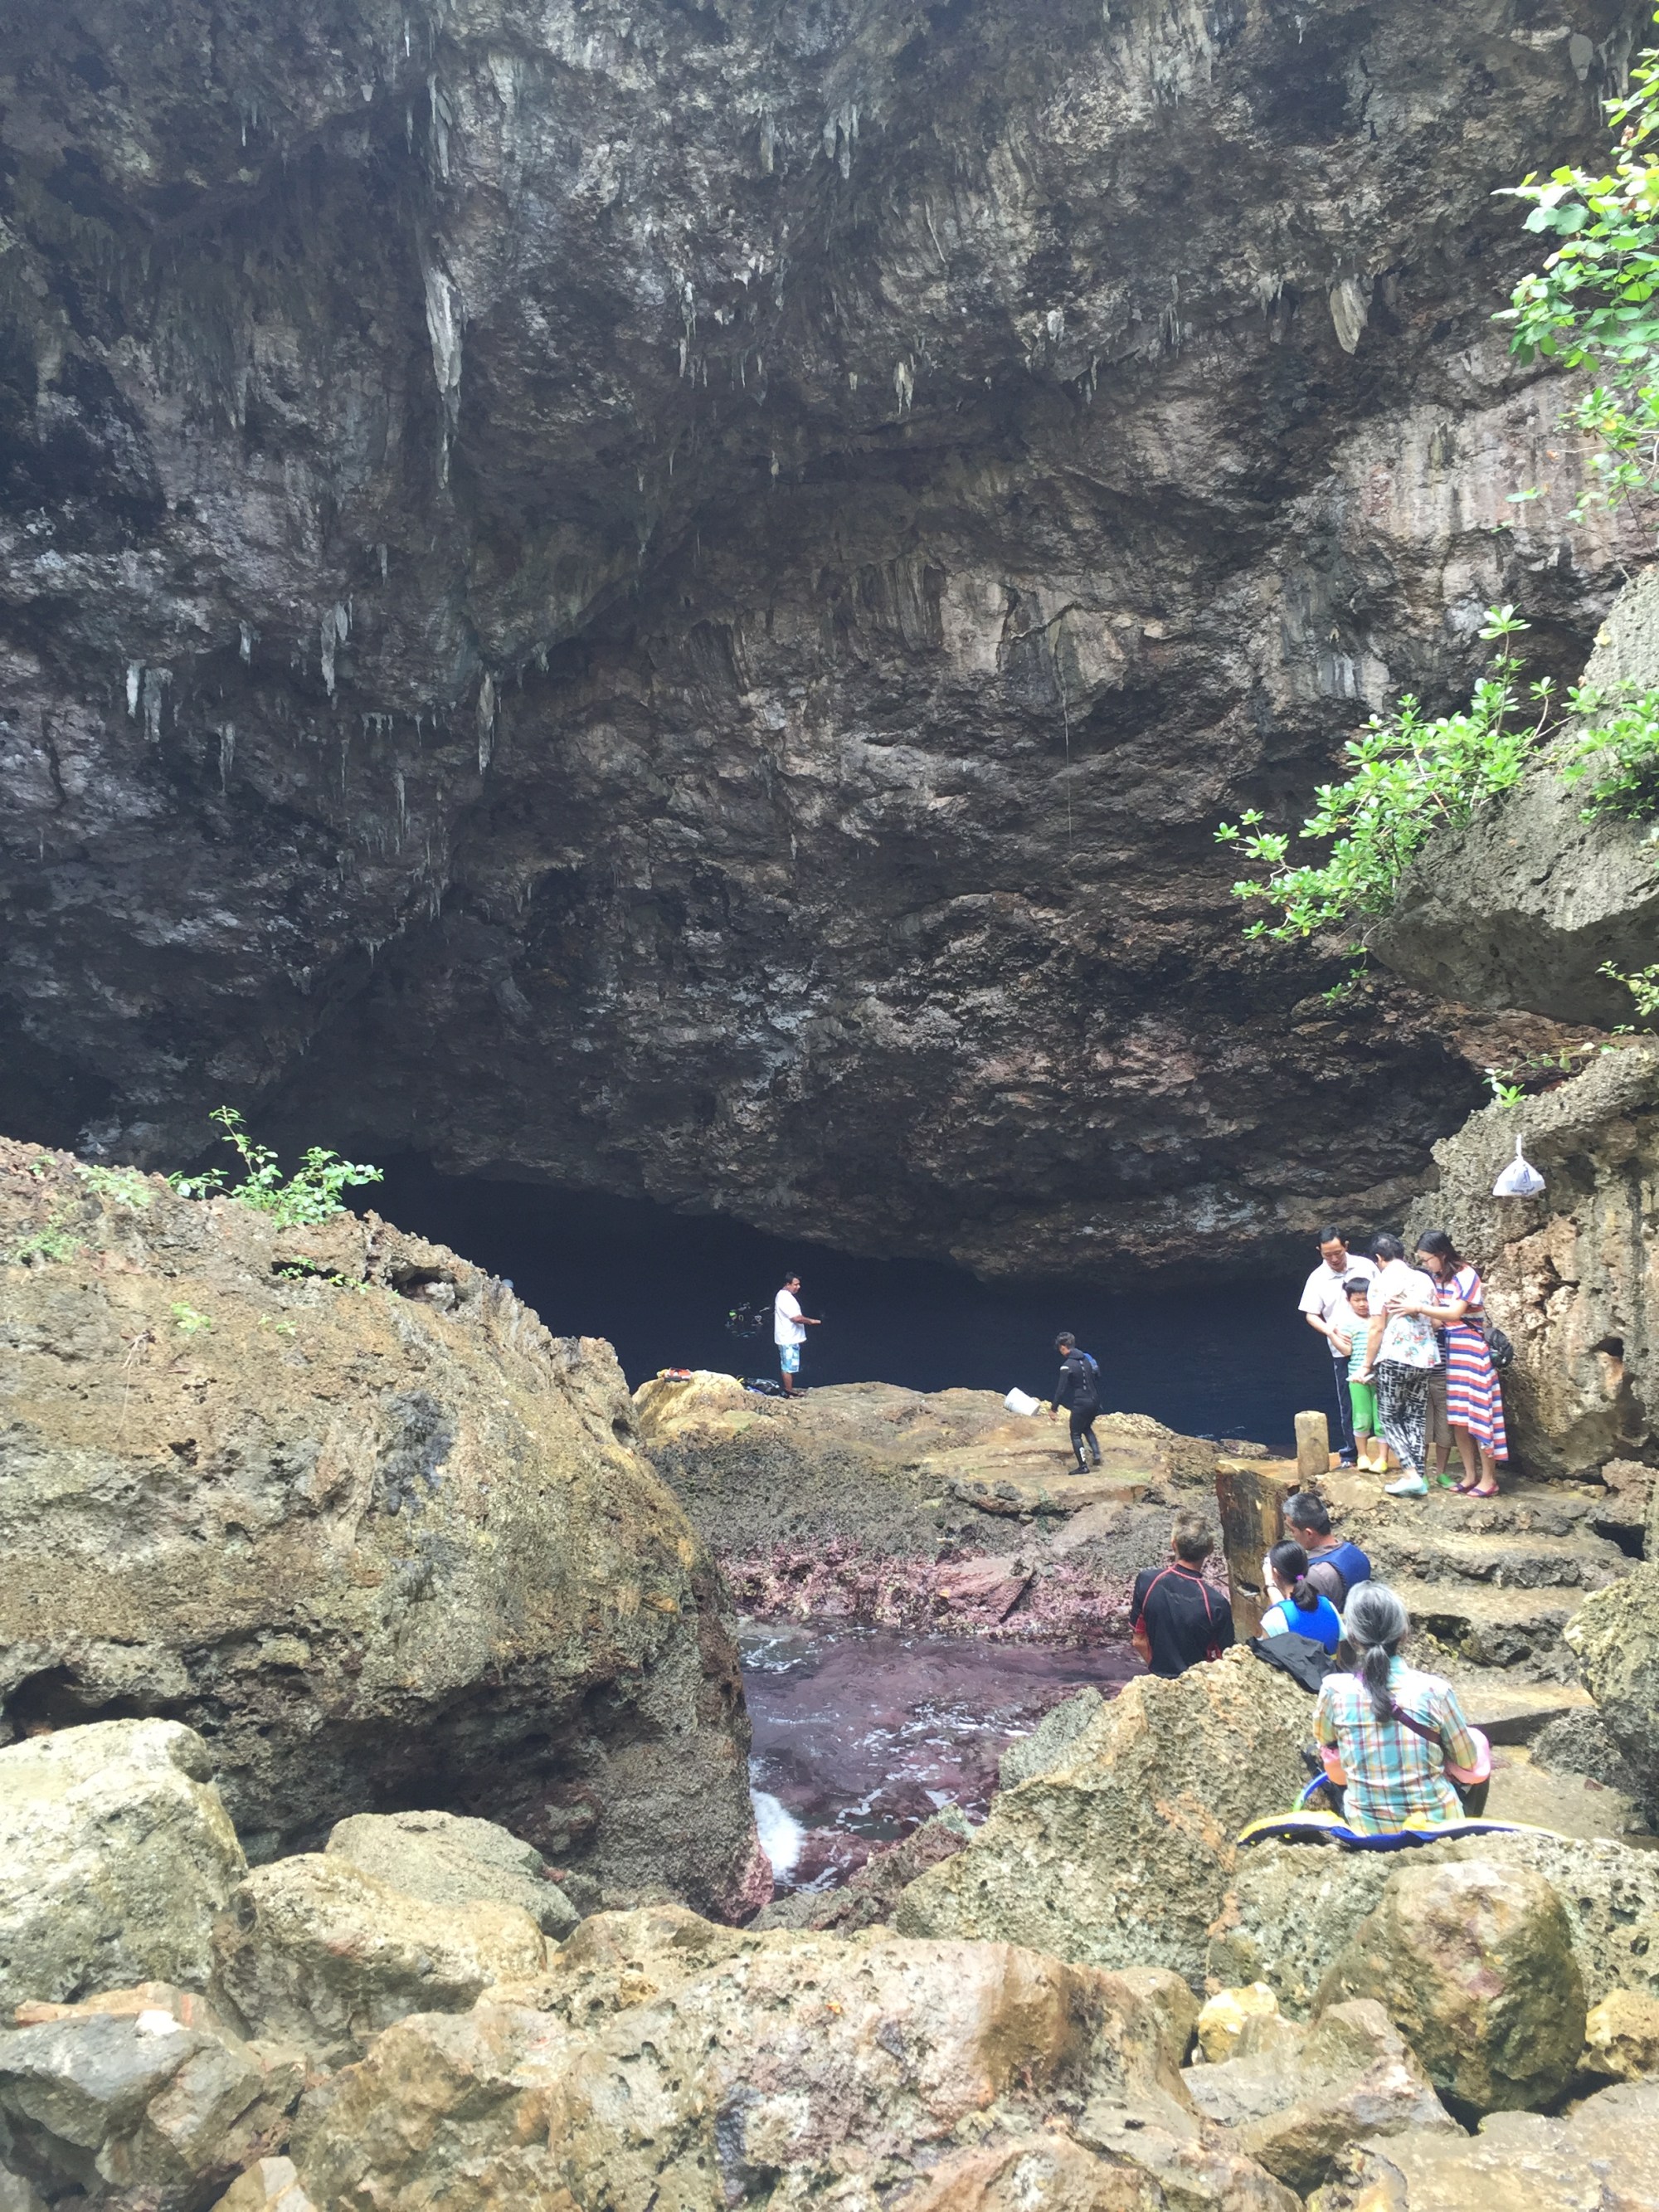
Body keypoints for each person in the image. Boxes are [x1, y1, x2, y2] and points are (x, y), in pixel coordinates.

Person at [1312, 1582, 1486, 1834]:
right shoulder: (1436, 1691)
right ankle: (1469, 1836)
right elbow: (1469, 1761)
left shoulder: (1333, 1690)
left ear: (1352, 1637)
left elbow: (1325, 1741)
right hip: (1437, 1829)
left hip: (1368, 1831)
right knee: (1479, 1754)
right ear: (1404, 1633)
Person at [1415, 1230, 1509, 1497]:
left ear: (1442, 1254)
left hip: (1473, 1351)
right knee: (1459, 1419)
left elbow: (1455, 1313)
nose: (1426, 1265)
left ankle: (1489, 1479)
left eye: (1427, 1259)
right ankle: (1470, 1475)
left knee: (1480, 1415)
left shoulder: (1466, 1275)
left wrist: (1419, 1308)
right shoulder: (1437, 1278)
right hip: (1452, 1353)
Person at [1358, 1233, 1441, 1498]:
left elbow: (1376, 1327)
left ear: (1379, 1259)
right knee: (1415, 1417)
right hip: (1426, 1357)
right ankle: (1419, 1477)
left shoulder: (1381, 1282)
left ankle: (1411, 1475)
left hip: (1395, 1358)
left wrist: (1366, 1365)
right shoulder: (1424, 1278)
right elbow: (1437, 1322)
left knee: (1389, 1417)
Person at [1298, 1228, 1377, 1468]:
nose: (1333, 1259)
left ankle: (1387, 1451)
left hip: (1376, 1343)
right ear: (1319, 1252)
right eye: (1327, 1255)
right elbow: (1311, 1314)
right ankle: (1351, 1454)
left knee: (1386, 1401)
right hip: (1344, 1349)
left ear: (1347, 1245)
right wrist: (1331, 1332)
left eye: (1338, 1253)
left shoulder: (1366, 1266)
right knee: (1349, 1403)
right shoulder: (1317, 1278)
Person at [1131, 1512, 1235, 1677]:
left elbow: (1139, 1641)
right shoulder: (1215, 1603)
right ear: (1210, 1550)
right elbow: (1227, 1660)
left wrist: (1160, 1673)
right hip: (1198, 1684)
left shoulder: (1147, 1581)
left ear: (1174, 1545)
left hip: (1157, 1680)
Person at [1332, 1277, 1385, 1474]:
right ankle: (1362, 1456)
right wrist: (1331, 1334)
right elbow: (1346, 1351)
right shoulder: (1346, 1322)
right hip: (1357, 1376)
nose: (1363, 1304)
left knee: (1382, 1420)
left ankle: (1382, 1458)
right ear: (1349, 1300)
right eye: (1357, 1300)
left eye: (1366, 1299)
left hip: (1381, 1376)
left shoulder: (1380, 1319)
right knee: (1361, 1418)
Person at [1282, 1493, 1370, 1608]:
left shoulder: (1315, 1575)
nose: (1292, 1535)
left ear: (1309, 1533)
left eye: (1292, 1530)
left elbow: (1300, 1618)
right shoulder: (1357, 1554)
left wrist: (1275, 1585)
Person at [1258, 1540, 1343, 1651]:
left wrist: (1269, 1581)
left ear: (1276, 1572)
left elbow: (1267, 1660)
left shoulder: (1274, 1619)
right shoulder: (1329, 1606)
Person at [1048, 1332, 1102, 1471]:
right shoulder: (1087, 1359)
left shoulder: (1067, 1366)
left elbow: (1061, 1390)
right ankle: (1096, 1454)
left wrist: (1054, 1408)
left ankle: (1083, 1466)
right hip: (1095, 1401)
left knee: (1075, 1433)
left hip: (1081, 1403)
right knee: (1085, 1427)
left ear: (1063, 1347)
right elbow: (1098, 1375)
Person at [772, 1273, 820, 1395]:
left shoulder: (785, 1296)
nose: (798, 1287)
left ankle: (791, 1389)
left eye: (799, 1284)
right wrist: (811, 1321)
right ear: (787, 1284)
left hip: (791, 1338)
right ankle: (789, 1391)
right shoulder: (784, 1298)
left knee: (790, 1365)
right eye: (795, 1284)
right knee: (787, 1367)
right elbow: (796, 1318)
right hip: (787, 1338)